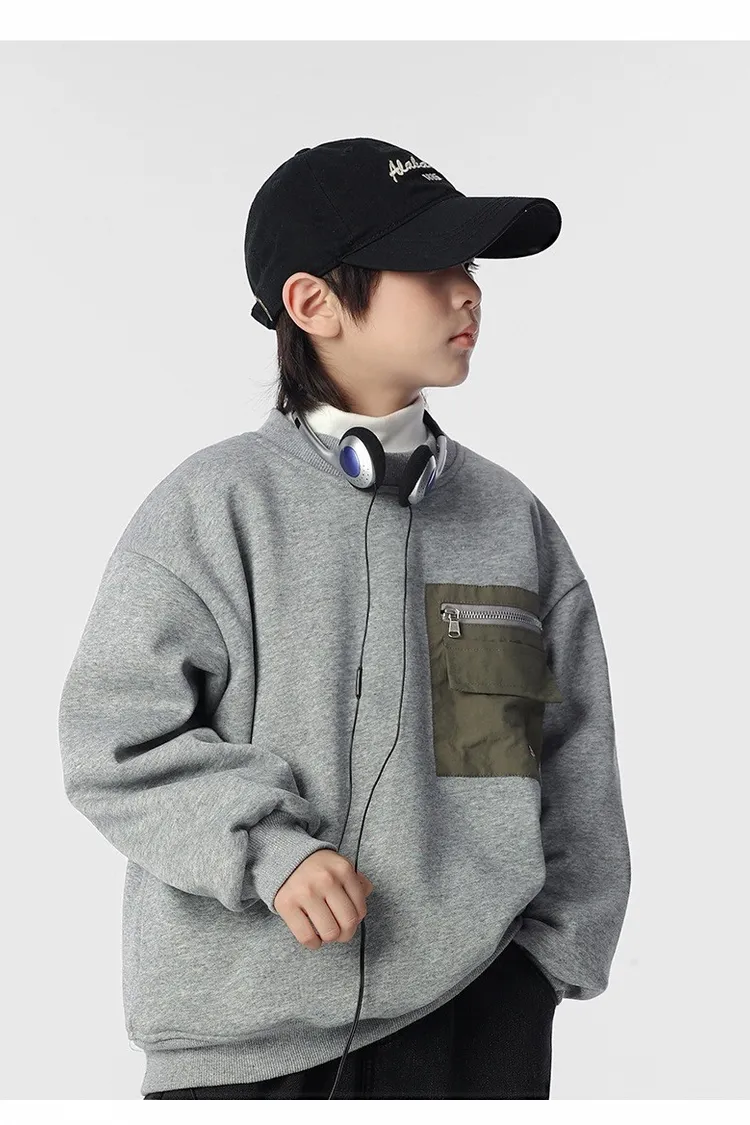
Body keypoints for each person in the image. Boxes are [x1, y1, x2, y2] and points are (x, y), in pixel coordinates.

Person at [58, 137, 631, 1100]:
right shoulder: (213, 508)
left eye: (470, 265)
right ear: (314, 302)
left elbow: (565, 756)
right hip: (245, 1050)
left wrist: (542, 969)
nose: (468, 292)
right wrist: (271, 850)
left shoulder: (508, 521)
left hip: (475, 1033)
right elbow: (114, 741)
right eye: (430, 266)